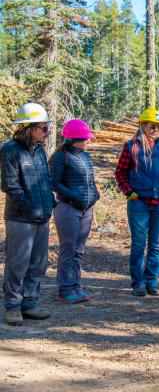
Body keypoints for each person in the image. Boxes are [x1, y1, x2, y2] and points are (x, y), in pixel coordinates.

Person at [0, 103, 56, 326]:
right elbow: (10, 186)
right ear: (29, 128)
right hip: (20, 218)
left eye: (47, 128)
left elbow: (46, 180)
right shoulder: (10, 150)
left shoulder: (39, 150)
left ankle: (29, 303)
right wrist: (30, 209)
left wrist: (50, 203)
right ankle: (13, 305)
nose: (47, 132)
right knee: (18, 263)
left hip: (42, 216)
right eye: (43, 128)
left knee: (39, 263)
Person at [115, 108, 159, 297]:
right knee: (139, 243)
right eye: (152, 126)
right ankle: (138, 282)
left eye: (158, 126)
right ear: (142, 125)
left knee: (156, 244)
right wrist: (130, 193)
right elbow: (120, 173)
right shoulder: (131, 146)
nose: (156, 129)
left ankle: (152, 281)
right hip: (139, 203)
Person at [50, 119, 99, 303]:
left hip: (86, 210)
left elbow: (90, 181)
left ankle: (77, 287)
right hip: (67, 209)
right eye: (86, 138)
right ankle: (64, 290)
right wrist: (73, 197)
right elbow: (54, 183)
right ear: (76, 139)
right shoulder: (61, 157)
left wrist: (95, 195)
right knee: (68, 249)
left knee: (79, 251)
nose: (88, 141)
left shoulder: (86, 156)